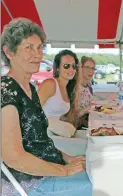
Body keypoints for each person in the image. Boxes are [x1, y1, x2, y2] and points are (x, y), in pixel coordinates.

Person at [1, 18, 92, 196]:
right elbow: (13, 157)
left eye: (40, 47)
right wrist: (64, 170)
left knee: (105, 171)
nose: (37, 54)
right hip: (30, 183)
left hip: (48, 170)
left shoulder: (30, 89)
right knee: (108, 185)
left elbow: (41, 143)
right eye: (29, 47)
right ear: (9, 52)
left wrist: (69, 159)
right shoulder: (6, 91)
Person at [38, 49, 82, 129]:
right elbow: (32, 111)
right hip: (43, 132)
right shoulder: (50, 84)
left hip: (56, 132)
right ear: (57, 68)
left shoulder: (68, 88)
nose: (71, 69)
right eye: (66, 66)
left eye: (74, 66)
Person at [77, 56, 96, 128]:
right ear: (80, 68)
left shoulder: (89, 88)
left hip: (88, 123)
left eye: (92, 68)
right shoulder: (74, 88)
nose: (90, 71)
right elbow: (70, 116)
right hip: (77, 127)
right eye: (87, 67)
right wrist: (88, 109)